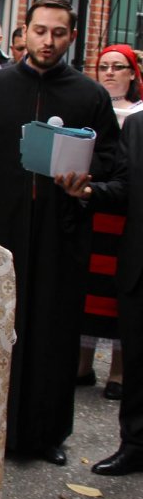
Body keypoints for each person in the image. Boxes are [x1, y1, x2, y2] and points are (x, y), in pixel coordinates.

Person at [0, 0, 118, 466]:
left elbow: (114, 166)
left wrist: (88, 181)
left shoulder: (89, 96)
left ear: (71, 37)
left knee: (53, 335)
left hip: (63, 235)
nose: (48, 41)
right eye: (40, 31)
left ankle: (47, 435)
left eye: (59, 33)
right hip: (1, 232)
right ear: (25, 31)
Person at [58, 111, 143, 476]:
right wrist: (89, 191)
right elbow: (124, 188)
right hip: (139, 261)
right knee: (138, 361)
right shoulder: (137, 126)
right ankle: (136, 444)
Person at [74, 45, 143, 399]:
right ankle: (83, 365)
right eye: (104, 67)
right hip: (94, 208)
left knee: (121, 289)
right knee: (90, 287)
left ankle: (118, 371)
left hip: (127, 212)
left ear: (133, 74)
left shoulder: (139, 115)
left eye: (119, 67)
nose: (110, 73)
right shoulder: (93, 107)